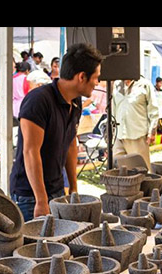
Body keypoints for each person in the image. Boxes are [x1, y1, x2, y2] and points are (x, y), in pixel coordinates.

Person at [10, 43, 103, 221]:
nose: (97, 83)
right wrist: (41, 200)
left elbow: (70, 145)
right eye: (96, 77)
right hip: (30, 195)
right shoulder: (38, 100)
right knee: (32, 247)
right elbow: (30, 152)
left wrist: (73, 187)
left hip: (56, 189)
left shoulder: (75, 102)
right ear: (82, 77)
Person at [112, 76, 160, 169]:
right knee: (119, 173)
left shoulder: (145, 84)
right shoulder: (117, 84)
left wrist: (152, 132)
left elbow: (153, 111)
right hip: (119, 136)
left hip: (137, 136)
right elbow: (114, 109)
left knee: (140, 172)